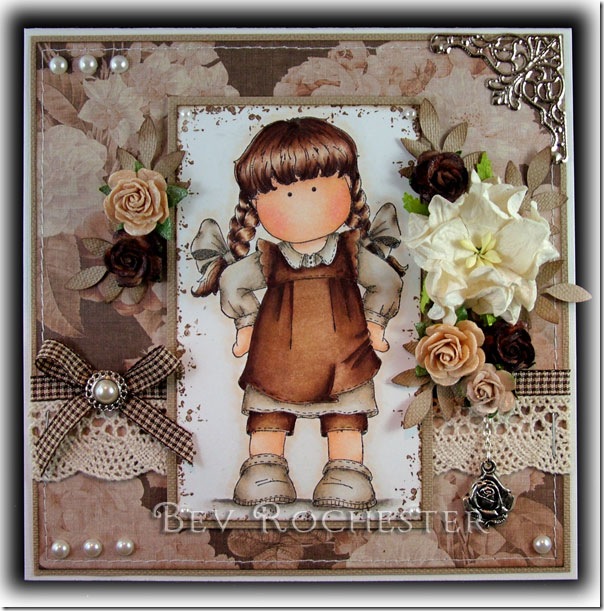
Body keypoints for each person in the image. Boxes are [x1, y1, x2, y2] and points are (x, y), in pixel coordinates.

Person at [196, 117, 403, 509]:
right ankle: (264, 469)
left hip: (344, 354)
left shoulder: (352, 252)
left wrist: (375, 322)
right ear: (255, 204)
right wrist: (246, 324)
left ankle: (346, 472)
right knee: (269, 410)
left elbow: (387, 282)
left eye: (317, 188)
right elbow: (232, 282)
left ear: (350, 185)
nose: (304, 202)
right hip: (277, 355)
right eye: (286, 194)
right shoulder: (269, 257)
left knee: (344, 412)